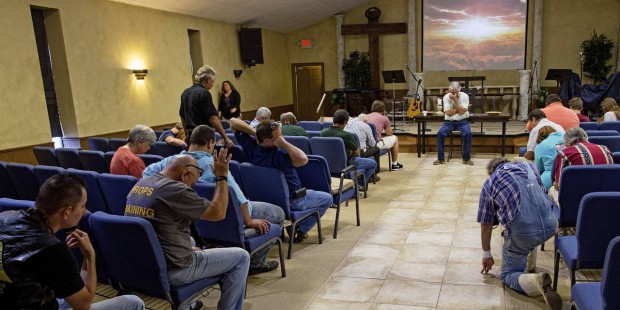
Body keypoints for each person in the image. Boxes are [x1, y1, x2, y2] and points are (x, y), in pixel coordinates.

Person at [143, 125, 284, 275]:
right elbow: (237, 197)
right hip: (230, 215)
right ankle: (257, 262)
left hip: (197, 222)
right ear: (210, 143)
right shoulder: (216, 165)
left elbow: (146, 174)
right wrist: (248, 221)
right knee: (279, 213)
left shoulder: (172, 163)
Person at [0, 173, 144, 310]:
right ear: (67, 212)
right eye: (82, 206)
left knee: (63, 296)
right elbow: (83, 304)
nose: (85, 212)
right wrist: (89, 256)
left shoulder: (5, 217)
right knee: (133, 302)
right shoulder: (51, 249)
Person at [125, 153, 249, 310]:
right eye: (192, 183)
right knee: (241, 257)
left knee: (190, 241)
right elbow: (218, 212)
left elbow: (148, 232)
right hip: (175, 271)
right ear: (185, 174)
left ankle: (187, 305)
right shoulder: (175, 190)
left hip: (144, 266)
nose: (191, 187)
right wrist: (222, 177)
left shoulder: (142, 183)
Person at [230, 118, 333, 243]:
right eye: (279, 137)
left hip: (262, 197)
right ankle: (300, 228)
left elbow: (233, 122)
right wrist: (283, 143)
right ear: (268, 141)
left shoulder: (250, 146)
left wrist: (255, 134)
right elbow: (303, 159)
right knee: (328, 198)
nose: (282, 137)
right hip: (292, 200)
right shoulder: (278, 156)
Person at [478, 158, 561, 310]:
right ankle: (529, 264)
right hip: (551, 224)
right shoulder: (529, 166)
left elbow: (486, 225)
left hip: (525, 232)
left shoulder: (490, 183)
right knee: (530, 224)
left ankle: (536, 281)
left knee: (507, 274)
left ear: (491, 172)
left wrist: (487, 254)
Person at [549, 127, 614, 201]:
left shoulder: (565, 153)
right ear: (586, 138)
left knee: (552, 189)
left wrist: (555, 183)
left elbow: (559, 186)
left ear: (569, 143)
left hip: (577, 200)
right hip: (607, 196)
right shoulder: (605, 148)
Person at [179, 65, 233, 148]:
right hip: (203, 138)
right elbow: (213, 119)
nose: (212, 85)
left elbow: (182, 116)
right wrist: (225, 138)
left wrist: (186, 134)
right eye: (213, 82)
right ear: (208, 80)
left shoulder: (185, 93)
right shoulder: (204, 93)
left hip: (191, 137)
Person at [322, 109, 378, 185]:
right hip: (348, 163)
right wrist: (351, 150)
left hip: (328, 164)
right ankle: (359, 184)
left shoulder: (323, 132)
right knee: (373, 164)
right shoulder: (347, 135)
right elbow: (358, 152)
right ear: (345, 122)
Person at [433, 82, 473, 165]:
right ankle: (440, 158)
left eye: (455, 91)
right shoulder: (446, 97)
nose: (453, 93)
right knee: (440, 133)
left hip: (462, 121)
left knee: (468, 133)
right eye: (452, 91)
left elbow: (462, 112)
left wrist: (455, 100)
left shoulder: (465, 96)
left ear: (459, 89)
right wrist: (460, 109)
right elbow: (448, 112)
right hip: (449, 121)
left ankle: (466, 158)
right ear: (449, 89)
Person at [367, 100, 404, 170]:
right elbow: (389, 133)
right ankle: (394, 164)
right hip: (375, 144)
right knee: (395, 138)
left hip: (365, 145)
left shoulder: (366, 116)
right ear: (383, 109)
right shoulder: (384, 118)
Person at [345, 113, 380, 179]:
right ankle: (374, 175)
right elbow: (372, 143)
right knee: (376, 149)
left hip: (347, 152)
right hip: (358, 152)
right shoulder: (366, 126)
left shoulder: (347, 123)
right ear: (366, 121)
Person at [534, 126, 564, 191]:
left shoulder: (541, 145)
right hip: (570, 175)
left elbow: (539, 167)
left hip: (550, 179)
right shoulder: (566, 137)